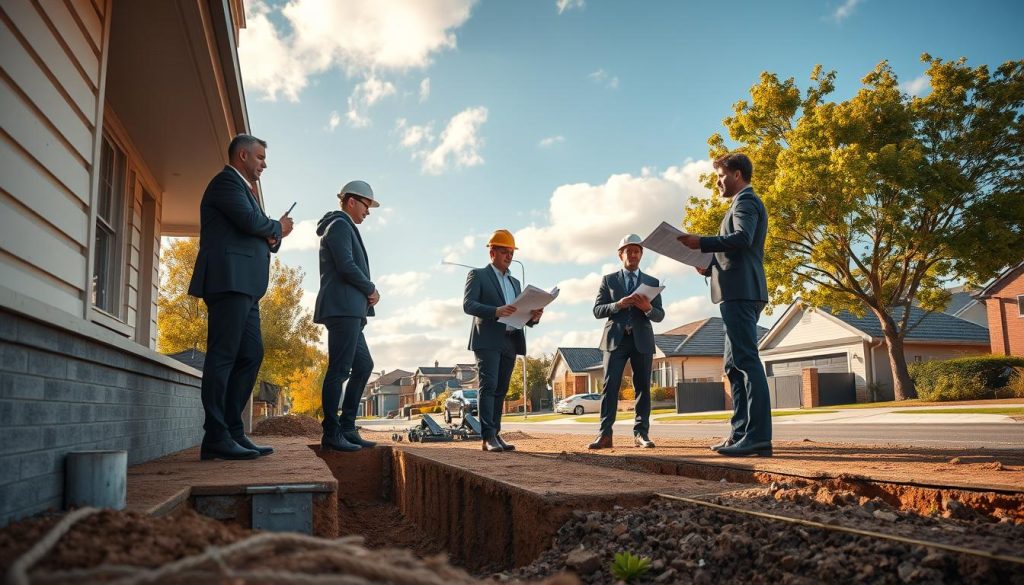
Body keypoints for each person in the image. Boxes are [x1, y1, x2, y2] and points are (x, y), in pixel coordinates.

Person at [189, 134, 294, 460]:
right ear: (244, 156)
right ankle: (216, 436)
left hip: (247, 288)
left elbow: (262, 235)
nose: (264, 164)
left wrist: (272, 232)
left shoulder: (246, 192)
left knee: (251, 354)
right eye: (260, 157)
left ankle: (234, 431)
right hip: (228, 282)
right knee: (223, 357)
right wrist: (276, 226)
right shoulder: (225, 183)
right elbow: (252, 223)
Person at [679, 152, 772, 457]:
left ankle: (758, 436)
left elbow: (742, 238)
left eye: (720, 175)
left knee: (746, 362)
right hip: (734, 291)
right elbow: (735, 250)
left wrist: (701, 242)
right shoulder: (738, 204)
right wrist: (709, 266)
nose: (717, 181)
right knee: (733, 365)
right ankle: (740, 433)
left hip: (743, 292)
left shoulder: (745, 201)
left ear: (737, 175)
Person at [313, 180, 381, 452]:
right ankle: (331, 432)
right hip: (342, 309)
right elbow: (346, 265)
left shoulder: (342, 225)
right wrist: (370, 288)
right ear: (351, 201)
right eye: (367, 205)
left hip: (350, 311)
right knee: (340, 370)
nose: (368, 212)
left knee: (364, 366)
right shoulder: (339, 224)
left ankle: (347, 427)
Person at [463, 230, 543, 452]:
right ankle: (487, 437)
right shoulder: (478, 275)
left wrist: (533, 317)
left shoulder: (516, 282)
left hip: (511, 340)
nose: (509, 256)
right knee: (488, 387)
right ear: (492, 252)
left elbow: (520, 314)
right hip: (487, 339)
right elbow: (469, 305)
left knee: (501, 389)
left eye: (511, 252)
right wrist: (496, 311)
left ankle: (496, 434)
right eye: (505, 252)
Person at [589, 234, 665, 449]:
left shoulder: (652, 282)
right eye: (628, 251)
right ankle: (605, 435)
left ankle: (641, 434)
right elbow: (597, 311)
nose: (633, 254)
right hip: (616, 340)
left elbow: (659, 315)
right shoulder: (609, 280)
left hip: (641, 340)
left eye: (637, 251)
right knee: (609, 387)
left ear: (641, 254)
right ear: (620, 255)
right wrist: (617, 305)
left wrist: (648, 308)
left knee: (643, 388)